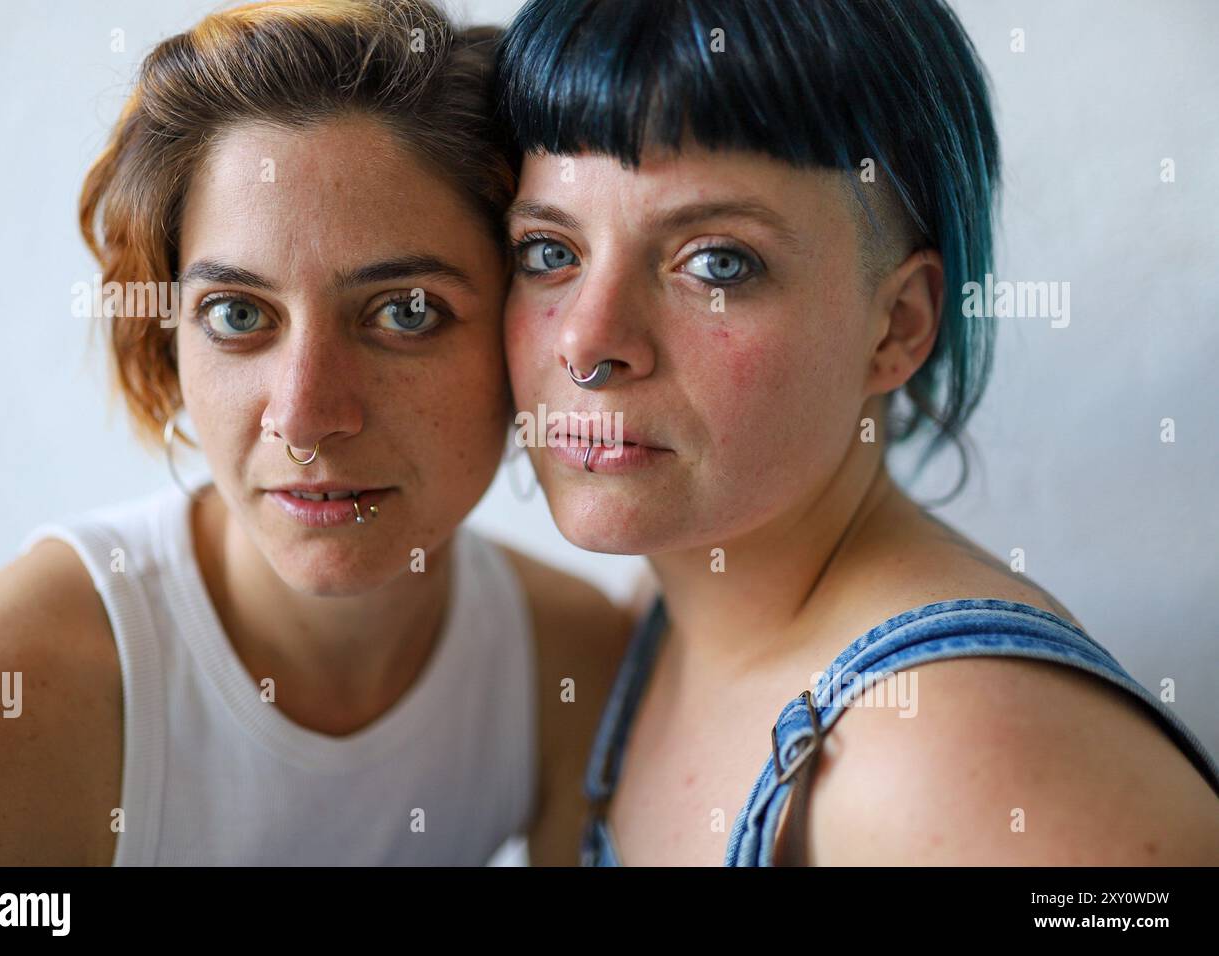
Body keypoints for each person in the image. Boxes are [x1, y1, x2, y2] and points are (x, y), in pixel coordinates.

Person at [495, 0, 1219, 864]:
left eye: (718, 263)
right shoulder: (664, 617)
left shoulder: (960, 758)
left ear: (898, 326)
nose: (586, 342)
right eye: (548, 252)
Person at [0, 0, 628, 865]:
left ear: (529, 331)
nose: (303, 414)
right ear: (165, 337)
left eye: (405, 312)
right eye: (238, 313)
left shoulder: (575, 665)